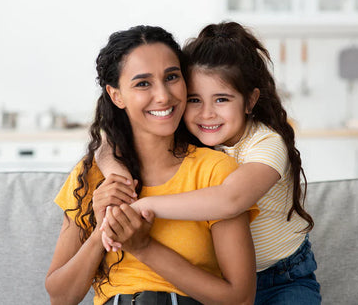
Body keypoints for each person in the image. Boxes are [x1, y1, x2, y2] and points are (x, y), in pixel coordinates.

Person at [97, 22, 321, 304]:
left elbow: (230, 199)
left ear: (250, 100)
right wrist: (117, 177)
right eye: (194, 100)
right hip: (222, 279)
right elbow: (107, 143)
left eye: (222, 99)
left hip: (283, 277)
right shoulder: (193, 135)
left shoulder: (266, 144)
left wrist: (144, 205)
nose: (207, 114)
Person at [45, 25, 259, 305]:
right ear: (116, 95)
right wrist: (103, 230)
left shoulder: (215, 172)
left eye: (171, 77)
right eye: (143, 83)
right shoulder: (92, 175)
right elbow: (60, 298)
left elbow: (240, 299)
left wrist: (143, 247)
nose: (163, 96)